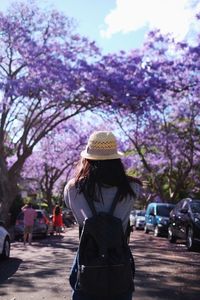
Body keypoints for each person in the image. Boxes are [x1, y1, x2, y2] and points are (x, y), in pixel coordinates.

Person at [64, 131, 141, 300]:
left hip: (87, 258)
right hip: (118, 258)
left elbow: (72, 209)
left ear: (88, 157)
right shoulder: (133, 188)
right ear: (116, 158)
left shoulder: (72, 188)